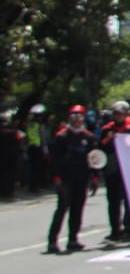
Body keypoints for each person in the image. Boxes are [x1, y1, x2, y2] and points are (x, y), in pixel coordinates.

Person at [45, 106, 97, 254]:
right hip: (65, 178)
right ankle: (52, 241)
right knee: (62, 208)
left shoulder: (89, 137)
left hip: (82, 177)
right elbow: (54, 160)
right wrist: (56, 178)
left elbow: (94, 158)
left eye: (80, 116)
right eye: (74, 116)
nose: (77, 119)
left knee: (77, 209)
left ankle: (73, 239)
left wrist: (94, 177)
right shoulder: (62, 136)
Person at [97, 101, 130, 241]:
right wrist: (107, 139)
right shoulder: (107, 129)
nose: (119, 116)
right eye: (116, 113)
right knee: (113, 202)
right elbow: (100, 148)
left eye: (121, 113)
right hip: (113, 170)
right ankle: (115, 230)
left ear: (127, 113)